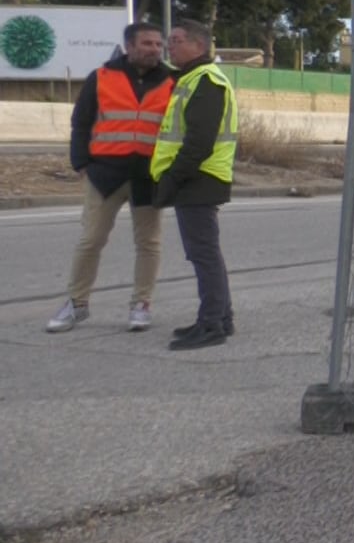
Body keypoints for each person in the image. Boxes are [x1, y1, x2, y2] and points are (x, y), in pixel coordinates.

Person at [46, 22, 175, 334]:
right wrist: (80, 162)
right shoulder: (102, 77)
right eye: (147, 43)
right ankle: (76, 304)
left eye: (158, 44)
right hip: (105, 175)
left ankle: (141, 304)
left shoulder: (173, 80)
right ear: (129, 46)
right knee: (91, 240)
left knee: (149, 243)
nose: (154, 50)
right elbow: (81, 121)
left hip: (148, 176)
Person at [150, 20, 237, 352]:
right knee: (205, 254)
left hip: (199, 177)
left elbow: (199, 141)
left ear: (199, 46)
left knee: (203, 255)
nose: (169, 46)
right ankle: (220, 318)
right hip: (199, 177)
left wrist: (172, 179)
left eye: (176, 40)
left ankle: (212, 324)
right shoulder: (191, 79)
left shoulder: (206, 80)